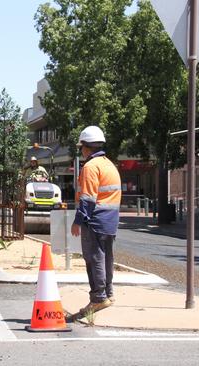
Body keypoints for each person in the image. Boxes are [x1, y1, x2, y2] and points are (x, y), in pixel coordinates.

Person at [70, 126, 122, 314]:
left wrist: (78, 220)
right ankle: (108, 293)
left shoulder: (91, 167)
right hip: (111, 221)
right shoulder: (109, 164)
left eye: (81, 147)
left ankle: (99, 298)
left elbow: (88, 198)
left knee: (94, 258)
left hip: (95, 220)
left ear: (86, 147)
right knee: (106, 257)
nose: (81, 151)